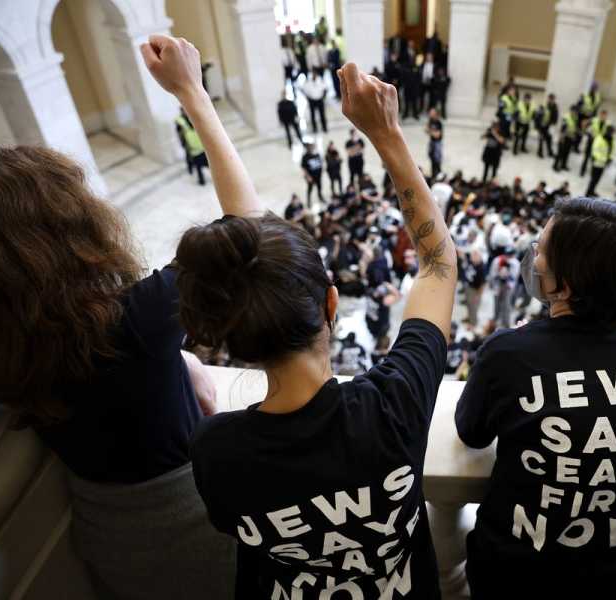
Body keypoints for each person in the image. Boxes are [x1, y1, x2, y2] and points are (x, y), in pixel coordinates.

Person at [0, 34, 262, 599]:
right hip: (202, 536)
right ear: (70, 224)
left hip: (110, 548)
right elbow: (249, 228)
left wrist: (176, 362)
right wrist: (192, 92)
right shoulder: (134, 320)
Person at [187, 62, 457, 598]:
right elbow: (438, 260)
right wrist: (387, 135)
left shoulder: (218, 450)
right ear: (331, 303)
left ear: (232, 340)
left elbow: (257, 270)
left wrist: (195, 97)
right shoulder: (391, 406)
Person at [456, 198, 616, 599]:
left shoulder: (508, 353)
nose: (534, 256)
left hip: (516, 571)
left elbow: (471, 432)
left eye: (543, 248)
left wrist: (528, 343)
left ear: (569, 281)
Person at [176, 109, 209, 185]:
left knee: (199, 162)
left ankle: (200, 178)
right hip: (194, 144)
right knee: (198, 163)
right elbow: (180, 134)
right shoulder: (183, 120)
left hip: (196, 144)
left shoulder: (188, 118)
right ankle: (200, 178)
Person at [585, 124, 614, 197]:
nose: (611, 133)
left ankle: (592, 191)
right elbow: (595, 150)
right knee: (593, 179)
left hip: (604, 164)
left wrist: (610, 158)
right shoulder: (599, 138)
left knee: (598, 179)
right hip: (597, 163)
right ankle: (588, 193)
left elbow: (612, 150)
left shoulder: (611, 140)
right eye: (610, 132)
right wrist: (603, 159)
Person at [580, 109, 609, 177]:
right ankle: (582, 171)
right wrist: (585, 132)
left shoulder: (607, 124)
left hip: (598, 144)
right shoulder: (594, 120)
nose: (603, 117)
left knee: (594, 158)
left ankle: (592, 172)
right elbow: (584, 123)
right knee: (586, 157)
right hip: (591, 141)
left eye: (605, 116)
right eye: (602, 115)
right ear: (600, 115)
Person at [553, 105, 580, 172]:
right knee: (560, 153)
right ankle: (555, 166)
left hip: (570, 138)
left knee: (567, 153)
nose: (574, 112)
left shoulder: (576, 118)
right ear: (571, 111)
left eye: (576, 111)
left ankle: (563, 165)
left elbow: (574, 127)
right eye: (573, 111)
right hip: (564, 137)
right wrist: (561, 138)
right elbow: (562, 129)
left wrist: (574, 135)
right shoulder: (566, 118)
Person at [301, 68, 328, 133]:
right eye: (313, 73)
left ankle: (324, 128)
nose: (314, 75)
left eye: (315, 73)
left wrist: (323, 97)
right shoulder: (308, 81)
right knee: (313, 115)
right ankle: (315, 128)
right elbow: (304, 90)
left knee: (322, 115)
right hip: (312, 100)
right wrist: (308, 98)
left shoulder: (320, 80)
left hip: (319, 99)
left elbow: (325, 88)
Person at [534, 94, 558, 159]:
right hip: (541, 126)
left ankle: (550, 152)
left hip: (548, 126)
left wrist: (553, 124)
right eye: (550, 99)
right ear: (548, 99)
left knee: (549, 139)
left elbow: (555, 116)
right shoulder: (543, 106)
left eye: (553, 99)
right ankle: (539, 152)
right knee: (541, 139)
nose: (552, 100)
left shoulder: (555, 107)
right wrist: (537, 127)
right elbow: (537, 117)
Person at [301, 141, 324, 206]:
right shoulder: (305, 157)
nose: (312, 148)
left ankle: (320, 197)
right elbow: (304, 168)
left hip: (318, 176)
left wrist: (321, 172)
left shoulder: (317, 154)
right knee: (310, 189)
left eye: (313, 147)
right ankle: (308, 201)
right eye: (310, 147)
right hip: (310, 177)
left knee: (319, 187)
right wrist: (308, 177)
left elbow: (320, 163)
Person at [426, 107, 444, 178]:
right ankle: (433, 174)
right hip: (432, 142)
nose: (430, 114)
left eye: (432, 113)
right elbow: (426, 129)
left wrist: (430, 131)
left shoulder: (438, 123)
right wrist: (432, 132)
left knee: (437, 160)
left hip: (437, 143)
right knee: (431, 158)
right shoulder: (430, 121)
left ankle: (439, 173)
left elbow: (437, 135)